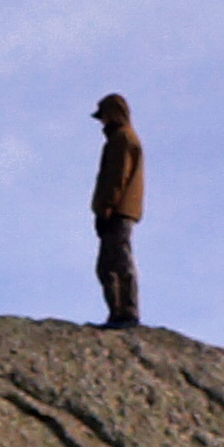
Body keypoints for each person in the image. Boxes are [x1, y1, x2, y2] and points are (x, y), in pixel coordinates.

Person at [89, 91, 146, 329]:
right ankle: (118, 312)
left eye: (104, 115)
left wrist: (106, 208)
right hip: (118, 210)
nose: (102, 121)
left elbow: (116, 178)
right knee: (108, 264)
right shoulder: (122, 138)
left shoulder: (122, 139)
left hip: (117, 211)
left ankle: (126, 313)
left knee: (118, 261)